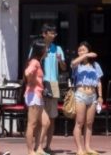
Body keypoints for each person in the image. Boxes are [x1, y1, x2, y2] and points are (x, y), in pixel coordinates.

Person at [32, 24, 65, 153]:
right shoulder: (37, 47)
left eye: (54, 33)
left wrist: (60, 61)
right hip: (41, 83)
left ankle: (48, 146)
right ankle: (37, 145)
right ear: (44, 34)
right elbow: (31, 62)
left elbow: (63, 67)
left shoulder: (58, 48)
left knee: (52, 117)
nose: (53, 35)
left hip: (54, 83)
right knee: (39, 117)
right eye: (51, 33)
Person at [71, 42, 103, 155]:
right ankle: (79, 149)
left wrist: (100, 96)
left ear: (88, 50)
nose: (81, 52)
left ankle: (88, 147)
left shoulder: (95, 65)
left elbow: (99, 81)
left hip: (92, 95)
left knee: (89, 123)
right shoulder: (77, 64)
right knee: (79, 122)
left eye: (83, 50)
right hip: (81, 94)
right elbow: (72, 64)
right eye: (79, 50)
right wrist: (85, 55)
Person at [24, 40, 48, 155]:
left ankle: (38, 148)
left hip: (38, 94)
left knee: (45, 122)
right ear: (41, 50)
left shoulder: (38, 62)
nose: (47, 50)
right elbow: (28, 72)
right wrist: (30, 79)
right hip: (33, 95)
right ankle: (30, 151)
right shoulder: (35, 62)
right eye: (46, 48)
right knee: (32, 124)